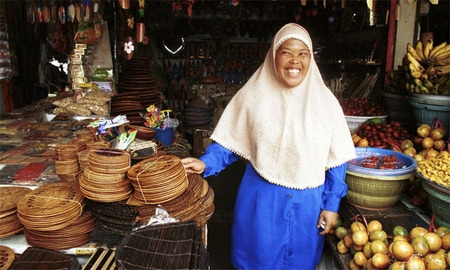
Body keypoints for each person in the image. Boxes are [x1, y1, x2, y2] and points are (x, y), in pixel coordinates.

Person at [181, 23, 356, 269]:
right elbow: (231, 141)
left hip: (306, 207)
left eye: (302, 53)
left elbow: (336, 158)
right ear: (274, 55)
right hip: (261, 203)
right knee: (256, 262)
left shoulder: (325, 103)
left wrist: (331, 204)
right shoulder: (253, 95)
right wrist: (206, 163)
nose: (295, 61)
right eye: (286, 52)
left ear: (310, 59)